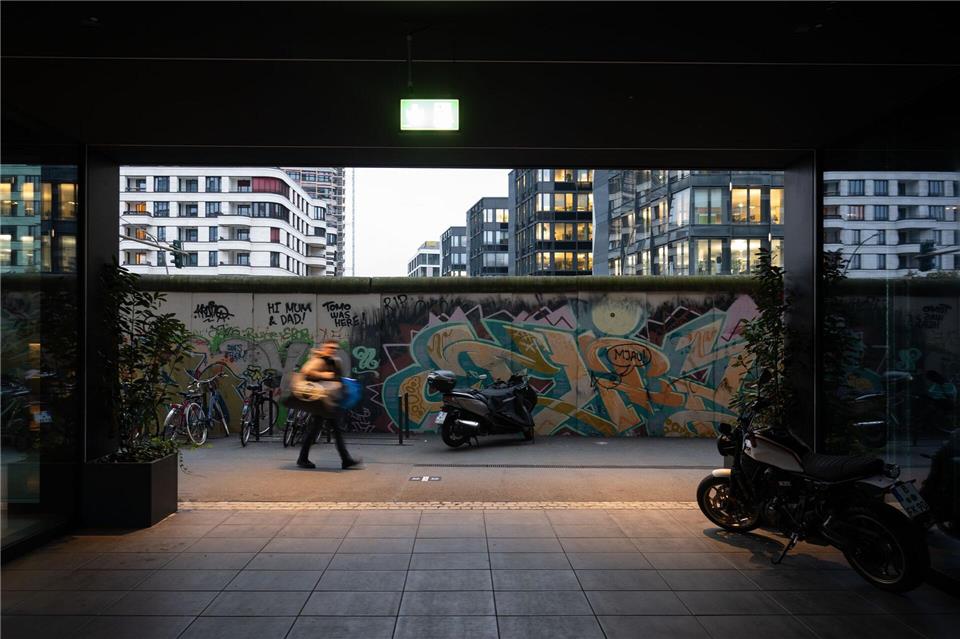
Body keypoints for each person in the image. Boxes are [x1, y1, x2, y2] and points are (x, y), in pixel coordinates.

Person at [296, 339, 361, 470]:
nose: (332, 350)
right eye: (330, 347)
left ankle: (345, 460)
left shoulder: (335, 361)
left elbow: (339, 378)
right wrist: (323, 375)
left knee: (336, 431)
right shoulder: (318, 360)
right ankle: (303, 458)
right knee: (315, 431)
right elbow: (306, 371)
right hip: (320, 401)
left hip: (331, 401)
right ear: (324, 347)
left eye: (334, 348)